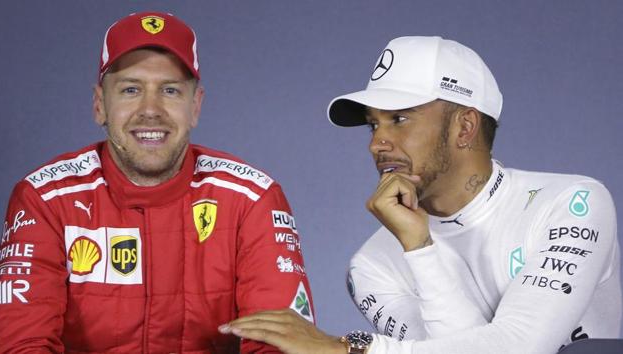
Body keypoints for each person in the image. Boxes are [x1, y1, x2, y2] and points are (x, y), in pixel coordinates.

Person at [219, 36, 622, 354]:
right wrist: (419, 245)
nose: (377, 142)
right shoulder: (369, 267)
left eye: (399, 118)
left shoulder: (573, 203)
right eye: (372, 125)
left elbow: (517, 347)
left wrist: (347, 349)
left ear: (465, 127)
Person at [0, 12, 314, 353]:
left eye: (170, 90)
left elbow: (282, 345)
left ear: (196, 107)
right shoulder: (45, 199)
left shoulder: (252, 199)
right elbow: (21, 344)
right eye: (131, 89)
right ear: (100, 104)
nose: (151, 109)